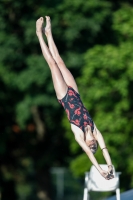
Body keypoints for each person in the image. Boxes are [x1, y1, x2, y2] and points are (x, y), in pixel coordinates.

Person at [36, 16, 114, 180]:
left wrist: (100, 170)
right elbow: (104, 148)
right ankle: (49, 33)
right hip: (75, 93)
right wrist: (109, 165)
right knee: (60, 61)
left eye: (90, 145)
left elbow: (89, 155)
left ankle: (38, 34)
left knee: (52, 63)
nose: (92, 144)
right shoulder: (94, 129)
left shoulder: (78, 133)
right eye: (94, 145)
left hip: (64, 96)